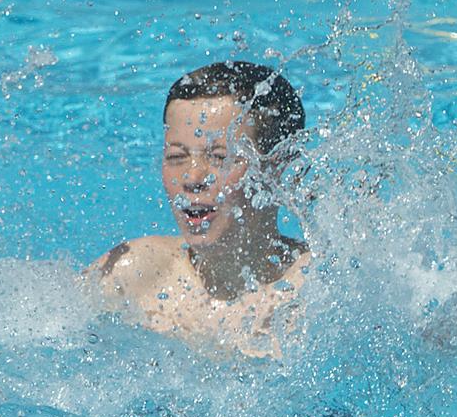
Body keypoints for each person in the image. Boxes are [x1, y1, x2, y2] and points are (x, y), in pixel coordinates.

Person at [91, 61, 310, 357]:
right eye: (177, 157)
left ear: (279, 167)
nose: (193, 179)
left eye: (221, 157)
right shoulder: (133, 275)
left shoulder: (316, 292)